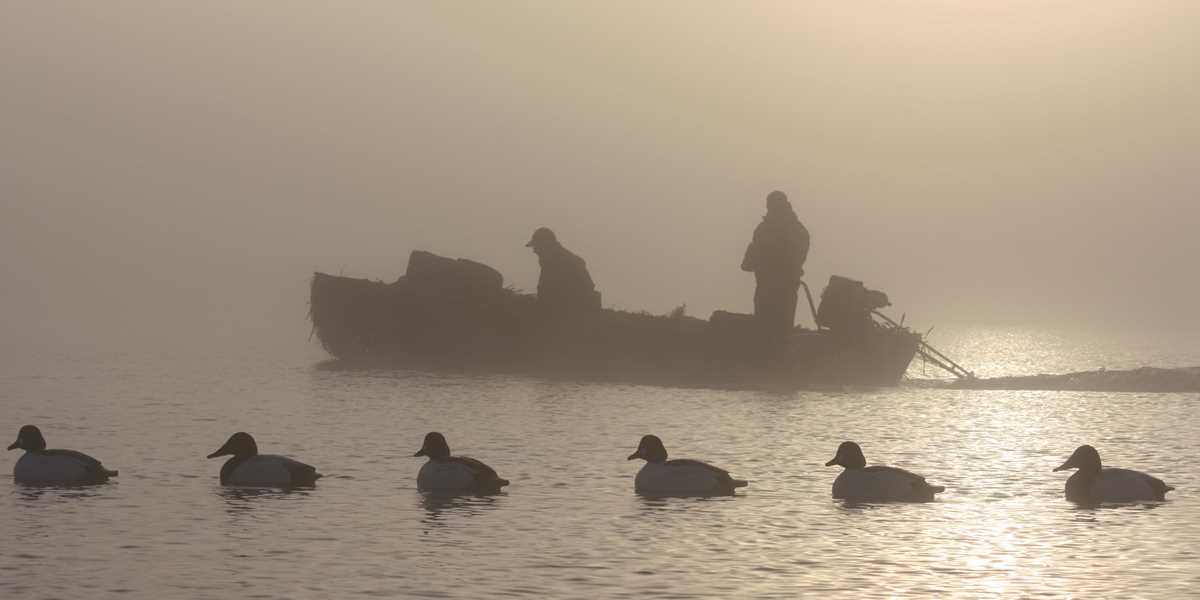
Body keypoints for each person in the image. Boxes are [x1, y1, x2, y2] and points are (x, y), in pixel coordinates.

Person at [741, 190, 810, 335]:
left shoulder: (794, 231)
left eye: (772, 207)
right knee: (764, 331)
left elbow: (795, 260)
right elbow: (749, 263)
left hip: (783, 290)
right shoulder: (765, 229)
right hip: (766, 289)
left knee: (779, 332)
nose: (770, 210)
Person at [526, 227, 601, 313]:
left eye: (536, 247)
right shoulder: (553, 260)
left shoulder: (559, 262)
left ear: (545, 246)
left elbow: (550, 294)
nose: (534, 251)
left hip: (570, 314)